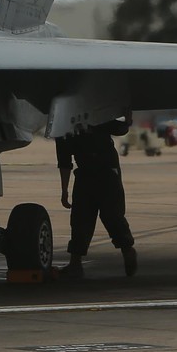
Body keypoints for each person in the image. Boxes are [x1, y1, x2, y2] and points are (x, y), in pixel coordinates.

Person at [56, 117, 137, 280]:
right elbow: (64, 162)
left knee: (112, 215)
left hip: (107, 173)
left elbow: (120, 129)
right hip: (85, 174)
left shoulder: (95, 117)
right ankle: (75, 264)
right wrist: (64, 191)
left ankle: (127, 250)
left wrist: (128, 119)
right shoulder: (63, 129)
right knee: (80, 219)